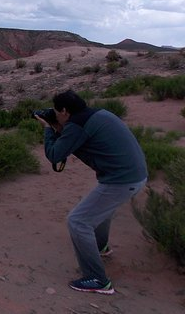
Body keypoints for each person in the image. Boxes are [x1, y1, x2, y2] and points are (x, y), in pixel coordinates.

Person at [35, 89, 147, 295]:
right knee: (101, 210)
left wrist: (48, 130)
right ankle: (101, 247)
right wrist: (59, 127)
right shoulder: (97, 114)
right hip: (135, 176)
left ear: (65, 111)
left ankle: (97, 279)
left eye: (56, 112)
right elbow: (78, 139)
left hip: (121, 181)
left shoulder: (76, 126)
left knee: (78, 221)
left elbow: (54, 155)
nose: (55, 115)